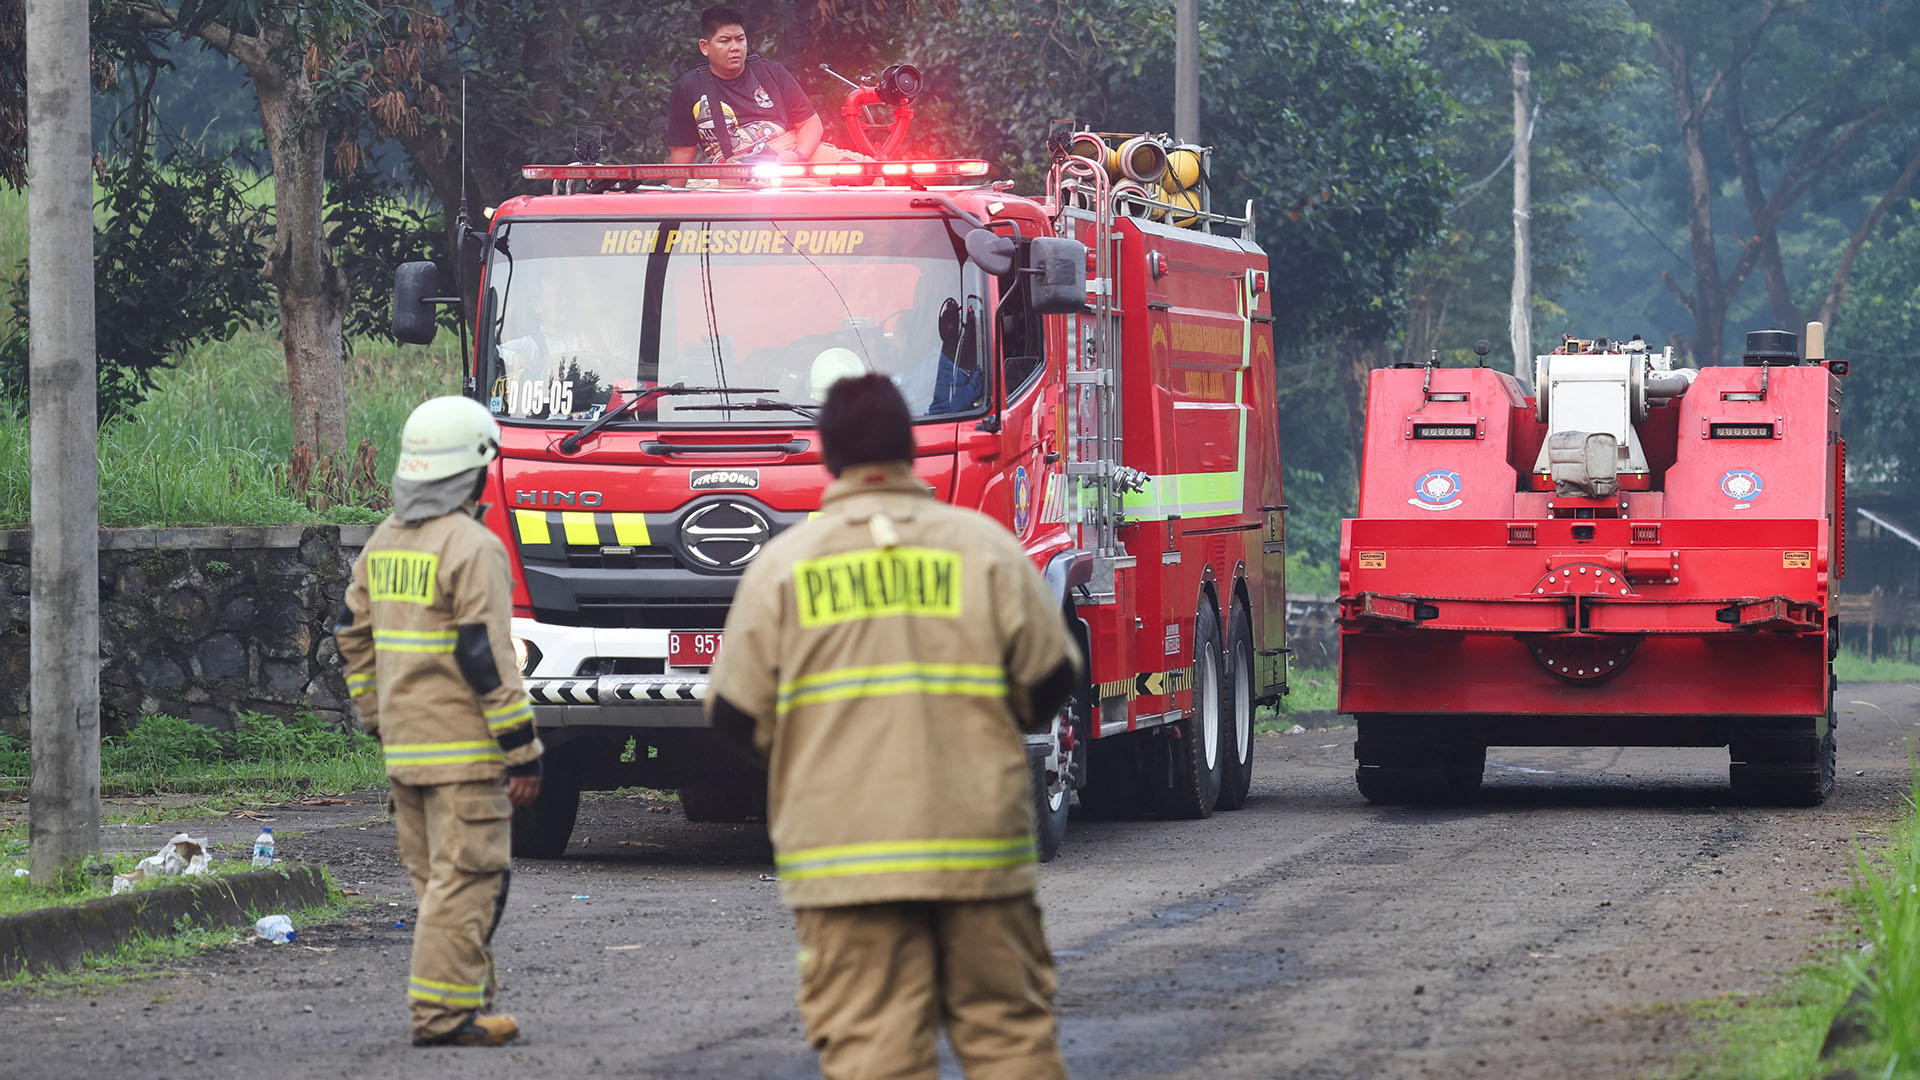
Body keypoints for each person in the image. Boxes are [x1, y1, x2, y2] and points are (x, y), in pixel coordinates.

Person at [705, 374, 1080, 1079]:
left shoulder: (784, 570)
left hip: (844, 863)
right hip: (977, 852)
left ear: (827, 455)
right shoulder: (985, 549)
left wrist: (808, 768)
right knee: (1009, 1039)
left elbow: (732, 713)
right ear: (912, 448)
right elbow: (1053, 678)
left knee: (874, 1052)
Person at [334, 396, 544, 1048]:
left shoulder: (384, 542)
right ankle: (442, 1016)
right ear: (473, 471)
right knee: (470, 878)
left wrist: (376, 718)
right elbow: (485, 657)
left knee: (439, 883)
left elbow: (352, 637)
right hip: (463, 755)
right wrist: (522, 746)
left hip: (406, 752)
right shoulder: (472, 546)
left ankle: (469, 1003)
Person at [666, 6, 864, 166]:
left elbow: (811, 124)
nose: (735, 47)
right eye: (725, 41)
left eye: (740, 39)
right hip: (737, 167)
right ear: (705, 47)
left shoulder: (772, 72)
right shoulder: (688, 87)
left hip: (792, 154)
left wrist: (798, 157)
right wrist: (671, 211)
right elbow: (683, 150)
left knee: (865, 171)